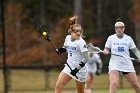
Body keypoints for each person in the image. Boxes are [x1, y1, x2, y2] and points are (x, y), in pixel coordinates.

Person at [103, 18, 140, 93]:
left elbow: (135, 50)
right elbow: (106, 49)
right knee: (113, 84)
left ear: (124, 28)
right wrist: (106, 51)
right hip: (115, 64)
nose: (119, 29)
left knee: (136, 85)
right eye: (117, 28)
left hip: (127, 64)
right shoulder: (111, 38)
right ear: (115, 29)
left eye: (121, 28)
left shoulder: (128, 39)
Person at [55, 16, 89, 93]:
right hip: (69, 67)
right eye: (76, 31)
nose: (78, 33)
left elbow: (86, 58)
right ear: (71, 31)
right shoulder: (67, 38)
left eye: (80, 31)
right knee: (58, 87)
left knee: (80, 92)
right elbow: (66, 48)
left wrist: (77, 69)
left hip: (80, 70)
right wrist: (61, 50)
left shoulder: (81, 42)